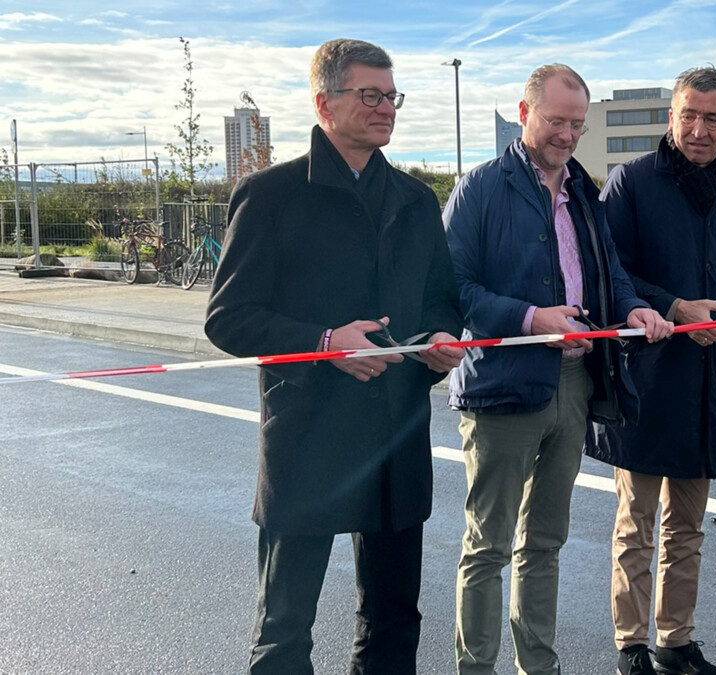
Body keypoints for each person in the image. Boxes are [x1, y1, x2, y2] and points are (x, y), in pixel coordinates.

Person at [204, 38, 464, 675]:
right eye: (368, 95)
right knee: (285, 628)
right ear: (324, 103)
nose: (384, 108)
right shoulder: (270, 195)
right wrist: (323, 343)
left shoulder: (415, 199)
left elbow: (442, 300)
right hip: (308, 438)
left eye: (391, 96)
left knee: (395, 618)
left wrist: (438, 339)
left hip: (396, 436)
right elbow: (228, 319)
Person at [443, 63, 672, 675]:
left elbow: (610, 275)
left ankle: (539, 667)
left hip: (574, 385)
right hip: (501, 385)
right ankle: (476, 668)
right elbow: (452, 287)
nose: (567, 135)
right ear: (524, 114)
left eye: (577, 124)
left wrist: (638, 307)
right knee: (487, 547)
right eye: (555, 121)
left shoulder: (584, 191)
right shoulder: (481, 187)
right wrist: (527, 317)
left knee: (544, 543)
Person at [586, 66, 716, 675]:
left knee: (687, 528)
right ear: (671, 118)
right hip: (647, 380)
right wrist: (672, 307)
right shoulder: (631, 183)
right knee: (636, 526)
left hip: (708, 381)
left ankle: (675, 640)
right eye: (688, 116)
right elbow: (609, 273)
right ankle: (631, 646)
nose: (699, 129)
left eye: (712, 118)